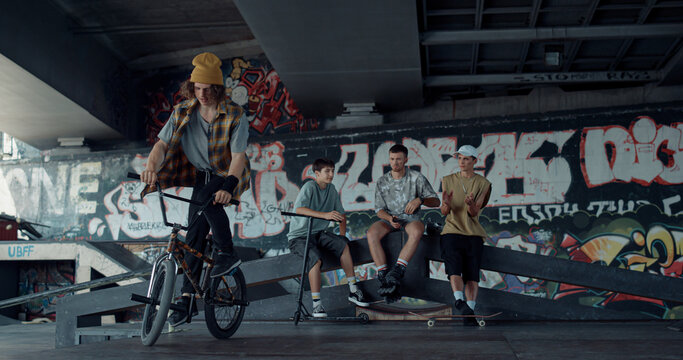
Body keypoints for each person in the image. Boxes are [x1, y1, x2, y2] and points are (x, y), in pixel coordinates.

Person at [140, 52, 251, 326]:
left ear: (217, 88)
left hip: (227, 174)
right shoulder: (183, 112)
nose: (202, 94)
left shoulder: (235, 115)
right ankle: (186, 301)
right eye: (197, 88)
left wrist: (228, 187)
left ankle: (227, 252)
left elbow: (238, 158)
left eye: (207, 89)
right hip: (200, 175)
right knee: (194, 237)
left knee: (207, 198)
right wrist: (151, 166)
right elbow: (161, 145)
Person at [288, 158, 370, 317]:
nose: (331, 174)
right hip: (299, 237)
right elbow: (299, 209)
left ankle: (353, 290)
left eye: (333, 170)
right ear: (317, 173)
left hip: (318, 234)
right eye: (327, 171)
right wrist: (324, 215)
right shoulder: (309, 187)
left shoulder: (331, 189)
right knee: (315, 260)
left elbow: (341, 214)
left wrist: (342, 235)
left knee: (344, 245)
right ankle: (317, 304)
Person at [367, 144, 440, 301]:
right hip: (390, 219)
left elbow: (436, 201)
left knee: (417, 231)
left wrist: (420, 199)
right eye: (392, 159)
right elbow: (379, 210)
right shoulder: (382, 181)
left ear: (406, 160)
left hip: (410, 219)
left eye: (399, 159)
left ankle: (398, 270)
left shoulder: (416, 177)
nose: (395, 163)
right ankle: (384, 277)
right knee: (371, 233)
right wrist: (389, 218)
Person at [439, 144, 491, 325]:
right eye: (460, 158)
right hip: (451, 231)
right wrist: (445, 203)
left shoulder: (483, 184)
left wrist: (470, 204)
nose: (462, 162)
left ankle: (469, 313)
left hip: (473, 233)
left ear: (474, 161)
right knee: (453, 268)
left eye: (466, 158)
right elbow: (444, 212)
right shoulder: (447, 179)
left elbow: (475, 212)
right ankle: (459, 301)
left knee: (472, 275)